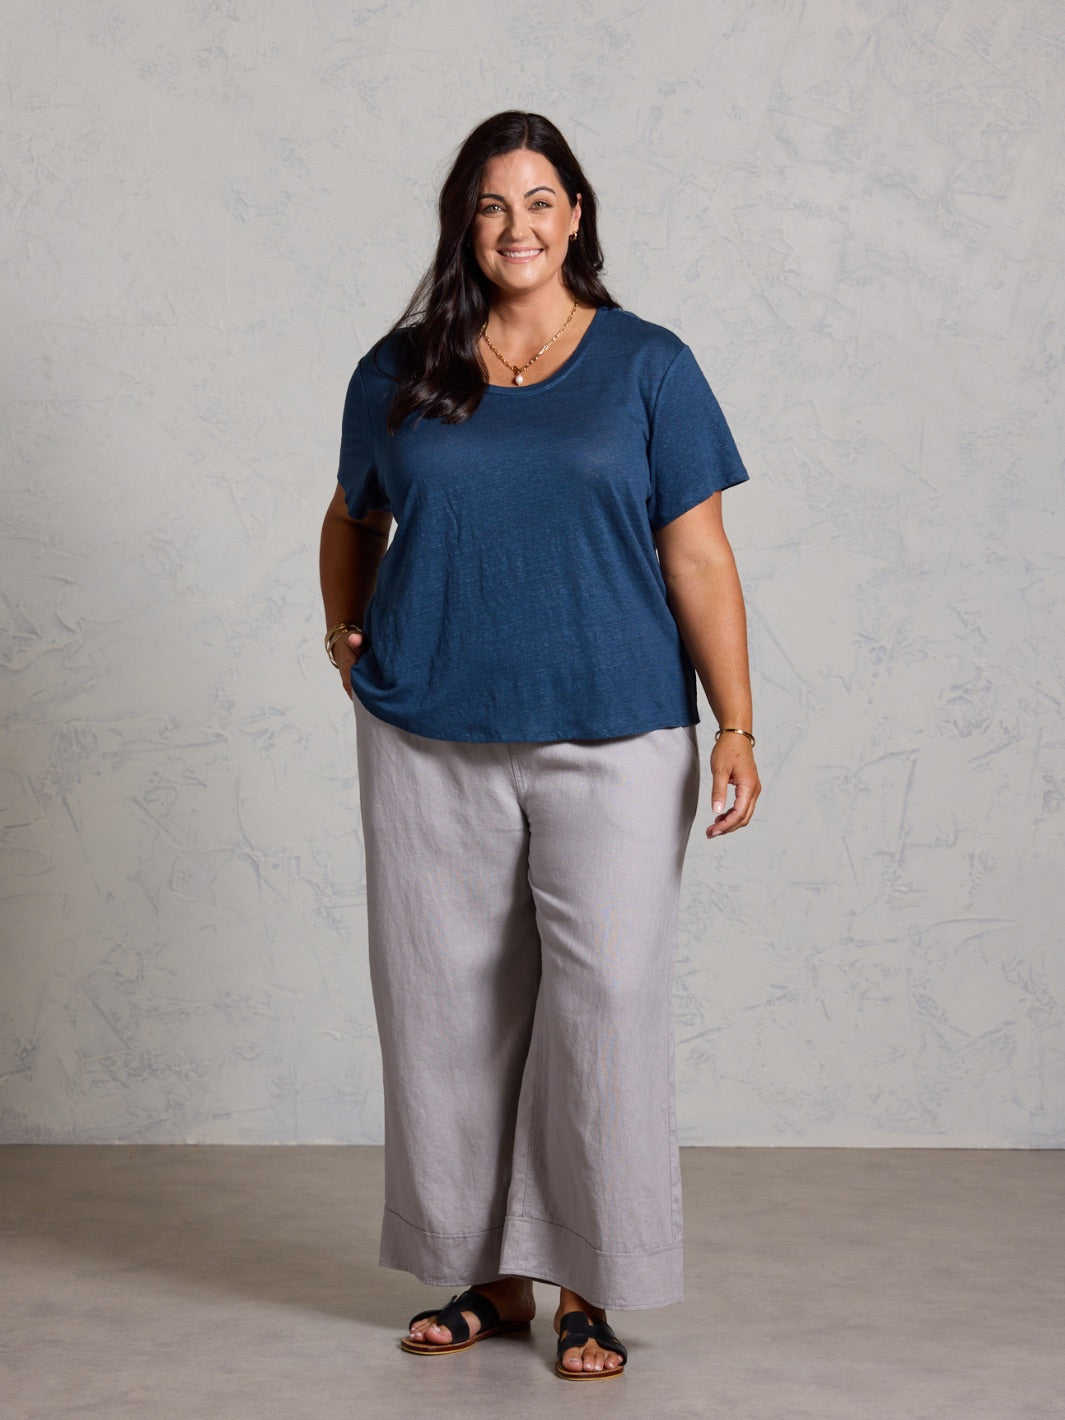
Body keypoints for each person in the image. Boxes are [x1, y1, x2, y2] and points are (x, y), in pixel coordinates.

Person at [319, 111, 759, 1381]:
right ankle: (486, 1275)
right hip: (427, 732)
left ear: (577, 215)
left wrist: (736, 721)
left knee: (605, 1007)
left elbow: (700, 556)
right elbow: (351, 516)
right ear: (465, 221)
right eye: (493, 204)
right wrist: (347, 637)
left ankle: (589, 1285)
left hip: (618, 733)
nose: (519, 226)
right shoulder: (399, 369)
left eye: (542, 200)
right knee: (445, 1009)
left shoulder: (649, 366)